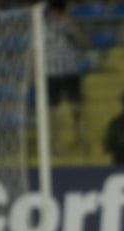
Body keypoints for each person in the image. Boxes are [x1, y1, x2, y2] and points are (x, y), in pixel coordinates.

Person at [44, 0, 89, 153]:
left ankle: (78, 136)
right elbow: (34, 49)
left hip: (70, 70)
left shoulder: (69, 24)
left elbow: (83, 41)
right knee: (52, 110)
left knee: (77, 107)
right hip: (51, 73)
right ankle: (56, 143)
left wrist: (72, 26)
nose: (53, 14)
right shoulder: (43, 27)